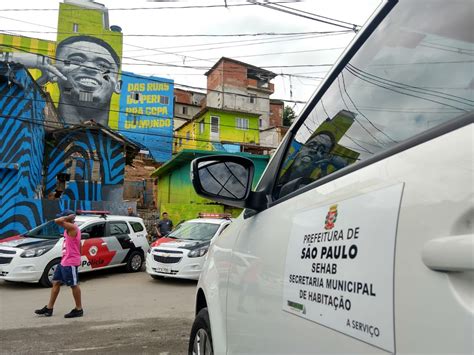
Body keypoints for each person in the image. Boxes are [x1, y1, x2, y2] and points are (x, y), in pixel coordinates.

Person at [0, 35, 121, 127]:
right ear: (54, 72)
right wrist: (16, 59)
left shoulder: (117, 147)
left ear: (118, 86)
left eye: (103, 66)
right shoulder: (36, 122)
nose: (90, 68)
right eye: (76, 60)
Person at [35, 209, 83, 318]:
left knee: (73, 285)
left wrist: (68, 217)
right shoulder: (68, 229)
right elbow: (80, 244)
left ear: (68, 219)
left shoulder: (73, 227)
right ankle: (49, 308)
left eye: (64, 217)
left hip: (70, 262)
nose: (62, 220)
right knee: (55, 282)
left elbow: (57, 221)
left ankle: (79, 309)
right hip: (64, 261)